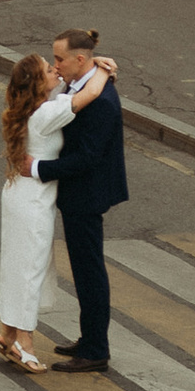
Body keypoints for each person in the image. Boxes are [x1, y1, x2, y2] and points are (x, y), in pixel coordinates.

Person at [0, 44, 112, 369]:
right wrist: (102, 68)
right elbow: (88, 94)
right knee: (32, 268)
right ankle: (25, 343)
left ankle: (7, 333)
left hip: (18, 193)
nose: (56, 71)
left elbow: (65, 88)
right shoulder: (46, 114)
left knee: (17, 264)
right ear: (37, 83)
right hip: (34, 199)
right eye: (49, 69)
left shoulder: (31, 107)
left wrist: (85, 63)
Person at [45, 25, 127, 370]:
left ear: (80, 59)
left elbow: (87, 157)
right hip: (79, 194)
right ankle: (89, 337)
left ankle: (95, 350)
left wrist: (39, 169)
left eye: (59, 59)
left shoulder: (101, 102)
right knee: (83, 270)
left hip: (87, 195)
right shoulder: (80, 82)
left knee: (90, 272)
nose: (55, 65)